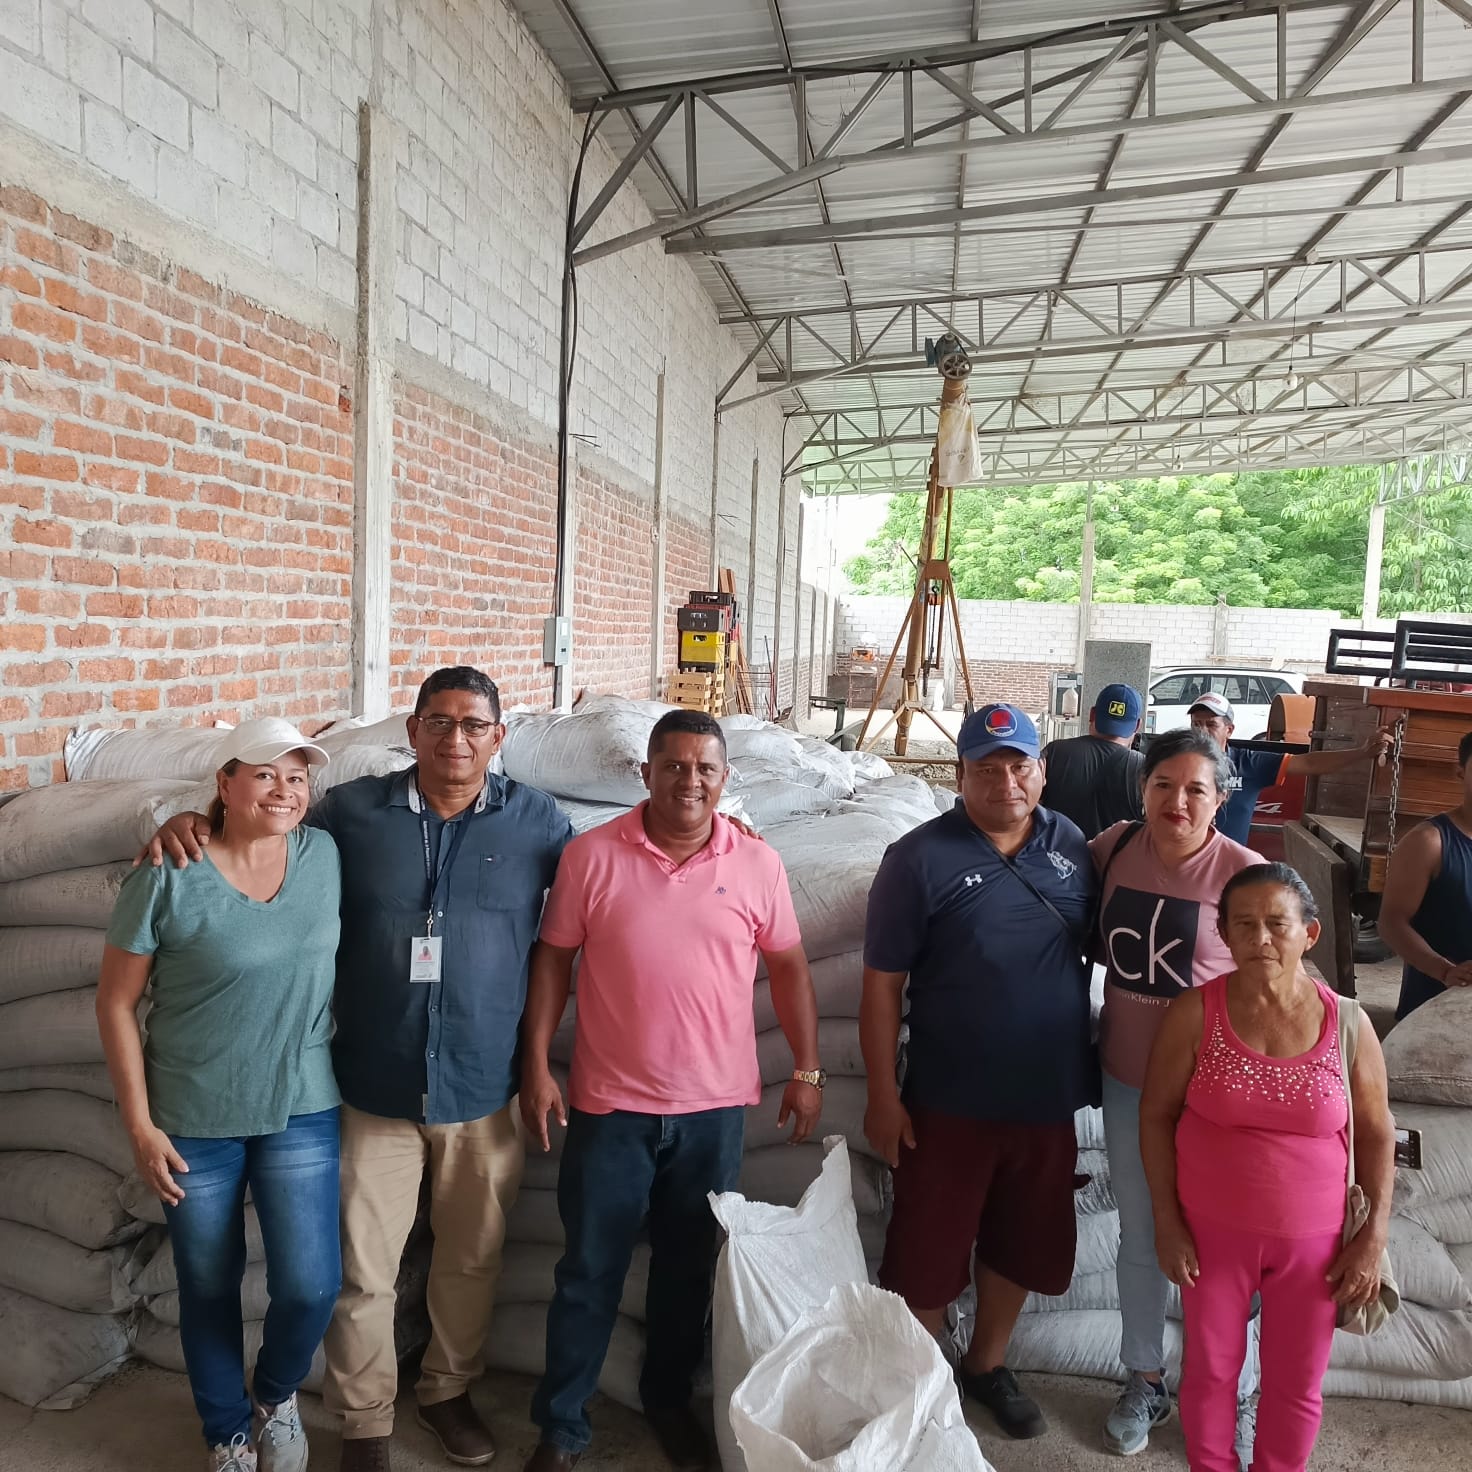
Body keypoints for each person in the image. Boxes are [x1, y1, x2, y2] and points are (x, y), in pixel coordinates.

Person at [147, 668, 573, 1472]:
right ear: (411, 731)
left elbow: (602, 886)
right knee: (363, 1271)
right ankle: (366, 1419)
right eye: (438, 721)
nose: (455, 739)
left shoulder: (539, 820)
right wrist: (191, 820)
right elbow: (261, 827)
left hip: (483, 1085)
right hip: (373, 1082)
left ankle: (447, 1392)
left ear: (498, 737)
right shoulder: (350, 812)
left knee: (471, 1259)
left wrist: (727, 832)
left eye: (473, 724)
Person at [518, 709, 822, 1472]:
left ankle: (667, 1401)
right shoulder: (591, 856)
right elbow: (553, 959)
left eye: (705, 768)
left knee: (687, 1271)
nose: (690, 781)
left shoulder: (757, 863)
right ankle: (561, 1426)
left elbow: (788, 967)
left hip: (713, 1112)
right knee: (589, 1269)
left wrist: (809, 1069)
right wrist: (535, 1063)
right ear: (646, 772)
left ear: (725, 778)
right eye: (675, 766)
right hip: (610, 1108)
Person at [100, 718, 343, 1472]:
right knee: (207, 1283)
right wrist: (139, 1126)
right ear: (225, 784)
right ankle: (227, 1432)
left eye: (297, 777)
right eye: (265, 774)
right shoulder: (167, 872)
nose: (284, 790)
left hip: (301, 1099)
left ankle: (274, 1395)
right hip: (194, 1110)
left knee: (311, 1284)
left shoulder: (324, 855)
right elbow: (115, 1003)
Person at [860, 703, 1096, 1441]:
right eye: (986, 769)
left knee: (1021, 1239)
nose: (1005, 782)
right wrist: (882, 1094)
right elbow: (882, 986)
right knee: (926, 1249)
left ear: (1042, 770)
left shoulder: (1072, 845)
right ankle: (923, 1378)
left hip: (1045, 1097)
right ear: (959, 775)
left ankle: (987, 1364)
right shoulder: (916, 858)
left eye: (1019, 765)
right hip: (947, 1098)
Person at [1140, 864, 1394, 1472]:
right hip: (1210, 1237)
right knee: (1210, 1370)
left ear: (1309, 934)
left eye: (1277, 924)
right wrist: (1167, 1222)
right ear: (1223, 935)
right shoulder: (1195, 1013)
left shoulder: (1348, 1023)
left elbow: (1378, 1133)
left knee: (1296, 1382)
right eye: (1244, 925)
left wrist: (1372, 1237)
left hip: (1317, 1246)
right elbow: (1155, 1115)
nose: (1260, 939)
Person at [1090, 727, 1263, 1461]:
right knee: (1141, 1232)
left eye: (1197, 789)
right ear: (1143, 789)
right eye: (1164, 784)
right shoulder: (1112, 850)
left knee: (1225, 1246)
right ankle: (1145, 1379)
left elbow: (1277, 984)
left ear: (1221, 799)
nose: (1178, 801)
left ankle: (1235, 1392)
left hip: (1215, 1096)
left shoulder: (1245, 874)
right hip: (1128, 1081)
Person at [1186, 693, 1391, 846]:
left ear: (1229, 730)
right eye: (1196, 724)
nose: (1202, 731)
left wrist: (1362, 752)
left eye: (1211, 724)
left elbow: (1309, 764)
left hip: (1227, 867)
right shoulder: (1176, 763)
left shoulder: (1248, 763)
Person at [1379, 729, 1472, 1020]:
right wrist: (1444, 970)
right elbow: (1391, 922)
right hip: (1433, 1018)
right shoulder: (1430, 842)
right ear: (1461, 772)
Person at [1040, 682, 1145, 839]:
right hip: (1115, 855)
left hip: (1056, 853)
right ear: (1137, 725)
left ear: (1092, 715)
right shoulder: (1146, 768)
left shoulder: (1055, 752)